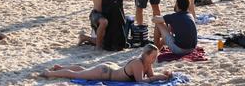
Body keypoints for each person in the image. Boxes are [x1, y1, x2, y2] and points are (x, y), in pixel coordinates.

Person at [42, 44, 171, 82]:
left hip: (111, 69)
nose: (154, 59)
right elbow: (140, 81)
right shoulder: (138, 63)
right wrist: (159, 77)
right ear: (146, 55)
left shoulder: (147, 64)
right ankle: (49, 73)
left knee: (83, 70)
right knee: (76, 75)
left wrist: (164, 74)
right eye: (153, 57)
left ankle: (60, 67)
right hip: (105, 73)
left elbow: (150, 77)